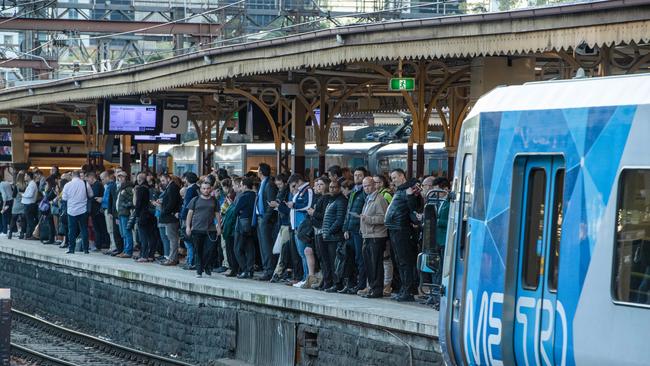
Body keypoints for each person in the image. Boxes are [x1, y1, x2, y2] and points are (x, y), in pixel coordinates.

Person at [384, 168, 420, 302]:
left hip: (402, 229)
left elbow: (413, 207)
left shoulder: (409, 189)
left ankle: (408, 290)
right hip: (395, 229)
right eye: (391, 178)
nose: (393, 181)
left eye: (394, 178)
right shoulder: (400, 190)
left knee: (405, 261)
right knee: (399, 261)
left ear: (402, 176)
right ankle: (404, 288)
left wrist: (411, 195)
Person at [359, 176, 389, 298]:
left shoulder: (379, 199)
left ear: (374, 185)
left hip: (377, 236)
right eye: (364, 186)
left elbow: (384, 218)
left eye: (369, 185)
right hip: (367, 235)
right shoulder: (368, 199)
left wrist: (369, 219)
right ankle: (372, 287)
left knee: (376, 264)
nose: (366, 188)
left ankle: (377, 289)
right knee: (369, 264)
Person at [185, 181, 222, 278]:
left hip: (211, 229)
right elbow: (189, 214)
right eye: (204, 188)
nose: (206, 190)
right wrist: (188, 227)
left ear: (211, 189)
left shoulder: (214, 200)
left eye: (208, 188)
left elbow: (217, 214)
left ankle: (206, 266)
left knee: (210, 250)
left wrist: (219, 226)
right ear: (200, 189)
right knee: (198, 250)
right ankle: (199, 270)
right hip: (197, 229)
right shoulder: (195, 199)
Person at [341, 167, 368, 294]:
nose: (357, 177)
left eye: (360, 175)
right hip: (350, 229)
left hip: (359, 229)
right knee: (349, 257)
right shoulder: (353, 192)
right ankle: (351, 283)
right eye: (355, 175)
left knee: (360, 258)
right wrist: (345, 228)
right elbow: (348, 211)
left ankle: (361, 284)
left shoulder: (364, 192)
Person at [286, 173, 313, 288]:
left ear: (298, 182)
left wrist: (294, 205)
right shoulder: (299, 192)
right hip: (296, 226)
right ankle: (304, 277)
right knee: (301, 254)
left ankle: (308, 277)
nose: (293, 188)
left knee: (304, 253)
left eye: (293, 185)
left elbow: (308, 205)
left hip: (303, 226)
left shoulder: (308, 191)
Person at [321, 179, 347, 292]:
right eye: (330, 187)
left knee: (335, 261)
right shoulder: (331, 200)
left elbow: (339, 219)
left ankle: (338, 283)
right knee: (329, 261)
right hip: (327, 236)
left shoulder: (341, 201)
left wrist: (329, 231)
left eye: (334, 187)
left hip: (335, 236)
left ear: (340, 188)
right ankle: (331, 282)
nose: (332, 189)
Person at [254, 163, 278, 281]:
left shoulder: (269, 185)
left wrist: (265, 219)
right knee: (262, 246)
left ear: (261, 172)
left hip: (266, 220)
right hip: (260, 218)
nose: (257, 173)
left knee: (267, 246)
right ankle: (266, 268)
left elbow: (271, 204)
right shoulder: (262, 184)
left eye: (258, 171)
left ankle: (269, 270)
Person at [306, 177, 330, 289]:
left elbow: (325, 216)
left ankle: (327, 281)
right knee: (320, 256)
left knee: (325, 257)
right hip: (316, 230)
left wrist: (313, 212)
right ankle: (324, 280)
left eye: (321, 184)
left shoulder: (326, 198)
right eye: (317, 184)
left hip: (322, 230)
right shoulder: (319, 197)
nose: (318, 186)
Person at [62, 170, 93, 254]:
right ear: (79, 175)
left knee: (71, 230)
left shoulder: (67, 185)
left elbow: (64, 198)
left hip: (71, 210)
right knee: (84, 229)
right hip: (83, 210)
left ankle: (71, 248)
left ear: (72, 176)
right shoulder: (85, 183)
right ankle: (85, 249)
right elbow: (91, 195)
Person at [232, 177, 257, 279]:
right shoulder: (255, 195)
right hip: (252, 224)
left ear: (245, 186)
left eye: (241, 185)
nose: (240, 187)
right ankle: (250, 270)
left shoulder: (243, 196)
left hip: (242, 224)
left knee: (237, 248)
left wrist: (240, 212)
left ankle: (245, 269)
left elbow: (235, 211)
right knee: (250, 248)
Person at [269, 174, 291, 282]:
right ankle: (280, 271)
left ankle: (278, 272)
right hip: (281, 223)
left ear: (286, 183)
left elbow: (288, 210)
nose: (279, 186)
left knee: (283, 249)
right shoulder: (280, 192)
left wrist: (278, 206)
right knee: (280, 249)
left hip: (287, 224)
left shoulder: (287, 193)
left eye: (280, 184)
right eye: (277, 185)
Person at [156, 174, 182, 266]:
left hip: (171, 217)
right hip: (169, 216)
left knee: (173, 238)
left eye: (163, 180)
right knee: (171, 238)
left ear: (168, 179)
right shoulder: (171, 187)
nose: (162, 183)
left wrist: (164, 211)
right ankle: (172, 257)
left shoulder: (172, 187)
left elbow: (172, 202)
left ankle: (172, 259)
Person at [132, 172, 156, 262]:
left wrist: (136, 214)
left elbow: (137, 204)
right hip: (151, 215)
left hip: (143, 215)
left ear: (139, 180)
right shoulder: (150, 188)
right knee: (151, 236)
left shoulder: (141, 189)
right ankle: (150, 255)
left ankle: (144, 255)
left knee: (143, 236)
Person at [180, 172, 199, 270]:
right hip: (195, 217)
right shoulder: (197, 188)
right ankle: (191, 260)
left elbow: (187, 205)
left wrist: (181, 215)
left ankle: (190, 261)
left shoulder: (190, 190)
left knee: (188, 240)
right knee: (191, 241)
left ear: (187, 179)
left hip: (188, 217)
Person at [100, 170, 120, 255]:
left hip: (108, 210)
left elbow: (109, 199)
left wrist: (110, 211)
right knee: (109, 229)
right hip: (106, 209)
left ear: (108, 177)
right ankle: (112, 246)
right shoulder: (108, 186)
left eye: (103, 179)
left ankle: (114, 246)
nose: (102, 181)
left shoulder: (111, 186)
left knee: (111, 229)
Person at [115, 171, 135, 258]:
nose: (120, 178)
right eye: (119, 177)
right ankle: (125, 250)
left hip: (125, 213)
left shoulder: (129, 188)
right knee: (123, 233)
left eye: (122, 177)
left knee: (127, 232)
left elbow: (133, 200)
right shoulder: (121, 187)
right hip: (120, 212)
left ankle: (128, 251)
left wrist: (126, 205)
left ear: (126, 177)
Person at [87, 171, 108, 251]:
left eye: (88, 179)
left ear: (91, 177)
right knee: (97, 228)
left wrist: (89, 197)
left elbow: (93, 196)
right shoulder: (96, 185)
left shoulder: (97, 185)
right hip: (95, 210)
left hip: (97, 211)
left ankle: (101, 244)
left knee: (99, 228)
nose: (88, 182)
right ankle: (100, 244)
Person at [22, 171, 39, 239]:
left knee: (30, 221)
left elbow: (30, 195)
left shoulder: (32, 184)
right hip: (28, 204)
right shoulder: (30, 184)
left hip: (29, 205)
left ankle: (32, 235)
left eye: (25, 176)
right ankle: (29, 235)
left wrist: (22, 194)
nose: (24, 177)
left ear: (29, 176)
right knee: (29, 220)